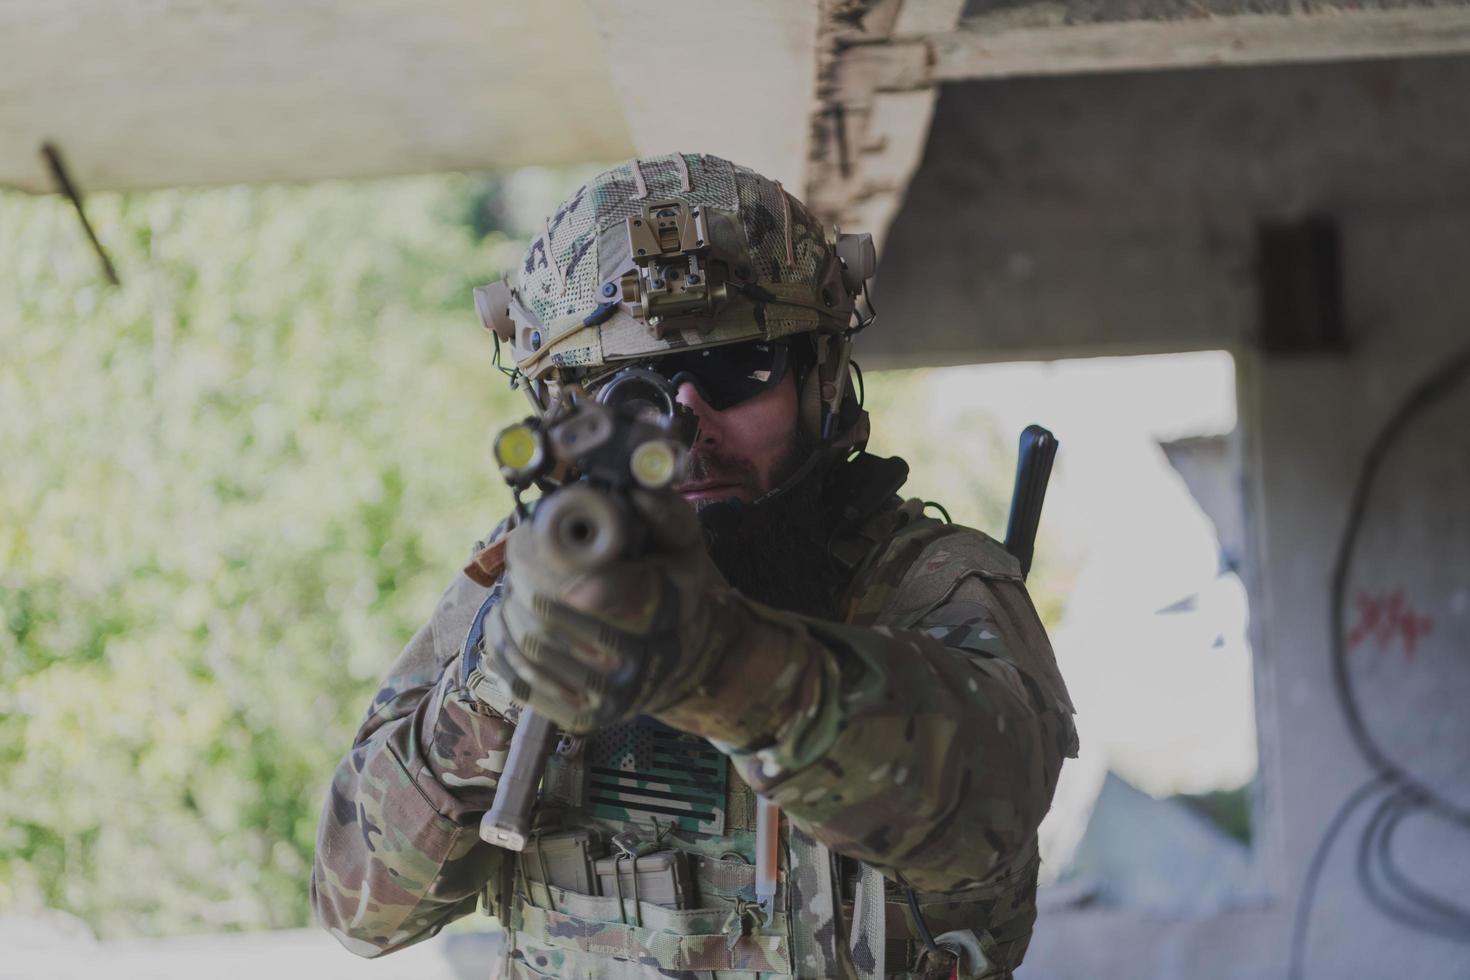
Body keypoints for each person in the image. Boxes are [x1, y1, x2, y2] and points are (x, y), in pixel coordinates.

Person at [311, 153, 1077, 979]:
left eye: (737, 370)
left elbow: (987, 820)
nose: (687, 424)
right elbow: (361, 909)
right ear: (561, 411)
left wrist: (720, 662)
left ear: (821, 379)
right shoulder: (528, 583)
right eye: (626, 388)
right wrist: (496, 689)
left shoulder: (934, 583)